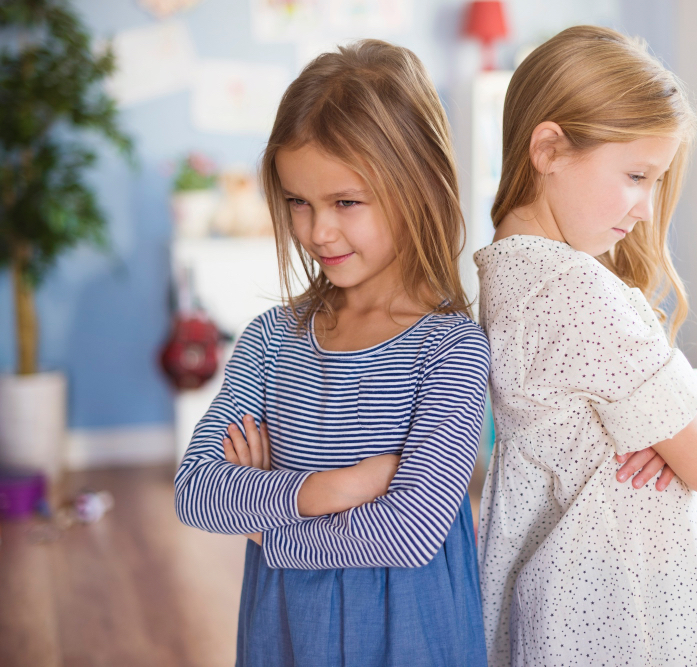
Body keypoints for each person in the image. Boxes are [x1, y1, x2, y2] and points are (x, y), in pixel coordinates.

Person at [174, 40, 488, 667]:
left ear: (419, 185)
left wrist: (268, 519)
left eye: (346, 202)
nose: (317, 231)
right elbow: (194, 489)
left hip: (412, 639)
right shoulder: (269, 339)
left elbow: (411, 529)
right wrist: (330, 489)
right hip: (286, 633)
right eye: (298, 202)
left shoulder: (452, 350)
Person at [475, 26, 697, 666]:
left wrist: (677, 417)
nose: (647, 208)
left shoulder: (504, 270)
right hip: (619, 598)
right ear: (550, 148)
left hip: (560, 582)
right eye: (635, 175)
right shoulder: (580, 292)